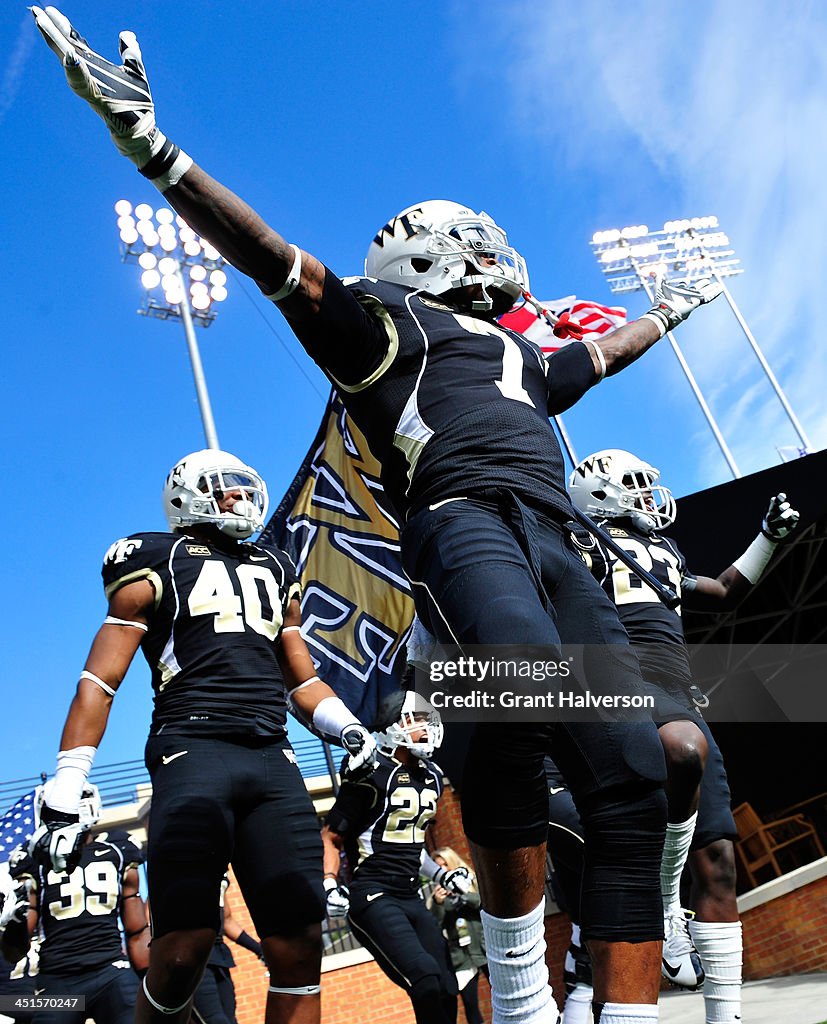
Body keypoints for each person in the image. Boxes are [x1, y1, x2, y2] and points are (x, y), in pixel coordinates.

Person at [30, 12, 727, 1021]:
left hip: (552, 540)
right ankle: (525, 999)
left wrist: (664, 310)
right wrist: (154, 151)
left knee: (638, 760)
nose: (491, 251)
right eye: (469, 242)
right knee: (522, 699)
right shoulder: (382, 329)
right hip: (461, 526)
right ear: (429, 257)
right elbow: (272, 257)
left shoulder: (518, 360)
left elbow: (599, 354)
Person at [25, 448, 378, 1024]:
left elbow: (301, 676)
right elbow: (101, 677)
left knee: (300, 944)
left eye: (244, 487)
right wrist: (70, 773)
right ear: (188, 495)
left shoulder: (274, 564)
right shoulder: (153, 558)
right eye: (227, 488)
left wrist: (349, 728)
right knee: (183, 947)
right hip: (192, 749)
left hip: (272, 755)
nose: (241, 498)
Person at [561, 449, 801, 1023]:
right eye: (636, 485)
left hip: (679, 692)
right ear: (599, 496)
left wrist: (766, 537)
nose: (649, 495)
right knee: (679, 756)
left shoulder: (661, 550)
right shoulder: (580, 543)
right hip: (618, 682)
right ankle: (665, 906)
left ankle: (727, 1016)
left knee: (719, 857)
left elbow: (720, 593)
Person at [321, 692, 463, 1024]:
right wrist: (329, 884)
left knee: (447, 985)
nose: (426, 726)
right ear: (392, 726)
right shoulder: (373, 772)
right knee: (425, 977)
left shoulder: (431, 777)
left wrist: (442, 876)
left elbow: (411, 846)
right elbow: (331, 836)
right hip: (373, 895)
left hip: (410, 896)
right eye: (416, 719)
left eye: (428, 719)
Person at [1, 786, 149, 1024]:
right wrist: (14, 925)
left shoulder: (117, 850)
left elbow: (137, 931)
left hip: (110, 971)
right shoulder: (34, 861)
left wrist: (151, 979)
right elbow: (13, 952)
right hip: (59, 982)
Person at [192, 875, 263, 1024]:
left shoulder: (219, 863)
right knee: (216, 1021)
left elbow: (227, 920)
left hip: (218, 955)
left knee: (230, 1019)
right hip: (195, 955)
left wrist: (260, 950)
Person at [429, 847, 488, 1024]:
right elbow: (435, 926)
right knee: (470, 1005)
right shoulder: (438, 896)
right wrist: (439, 904)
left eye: (445, 864)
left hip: (485, 950)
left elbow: (484, 904)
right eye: (438, 867)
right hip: (462, 957)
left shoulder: (473, 882)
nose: (443, 870)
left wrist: (463, 893)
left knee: (505, 993)